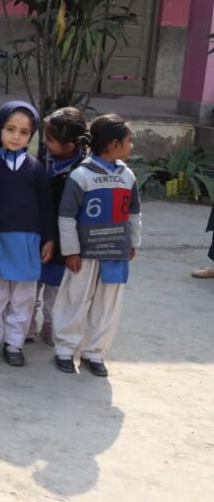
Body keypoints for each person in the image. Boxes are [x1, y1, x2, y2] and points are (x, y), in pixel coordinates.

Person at [53, 114, 141, 377]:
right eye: (129, 141)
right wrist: (71, 251)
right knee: (74, 299)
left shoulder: (127, 176)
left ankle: (94, 352)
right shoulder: (81, 175)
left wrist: (133, 242)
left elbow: (134, 213)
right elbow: (66, 216)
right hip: (85, 253)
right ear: (114, 144)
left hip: (115, 252)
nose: (132, 146)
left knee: (108, 303)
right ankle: (65, 349)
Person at [0, 102, 54, 366]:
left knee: (23, 297)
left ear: (32, 135)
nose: (16, 137)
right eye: (10, 129)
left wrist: (49, 239)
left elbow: (46, 207)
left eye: (24, 132)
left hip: (28, 244)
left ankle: (14, 343)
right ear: (0, 128)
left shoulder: (36, 169)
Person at [33, 107, 89, 345]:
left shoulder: (82, 171)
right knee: (30, 284)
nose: (46, 144)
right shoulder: (42, 161)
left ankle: (50, 324)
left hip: (63, 240)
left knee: (55, 289)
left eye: (51, 140)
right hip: (37, 233)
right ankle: (26, 322)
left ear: (70, 146)